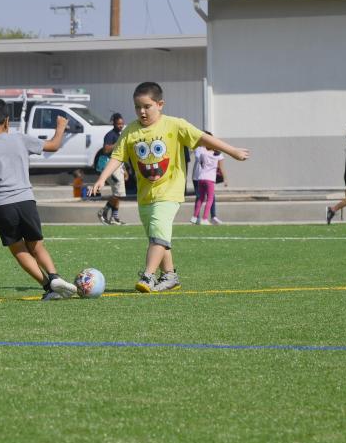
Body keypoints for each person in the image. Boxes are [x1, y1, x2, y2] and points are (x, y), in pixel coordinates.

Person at [90, 82, 250, 292]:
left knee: (158, 232)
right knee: (158, 236)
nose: (142, 111)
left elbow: (203, 138)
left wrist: (232, 151)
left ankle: (148, 276)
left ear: (160, 104)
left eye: (147, 106)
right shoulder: (130, 130)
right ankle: (170, 276)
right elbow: (117, 156)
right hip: (146, 195)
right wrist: (102, 178)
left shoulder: (175, 125)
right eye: (138, 107)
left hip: (170, 192)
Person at [0, 99, 79, 300]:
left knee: (19, 249)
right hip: (26, 201)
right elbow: (54, 145)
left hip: (1, 206)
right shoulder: (20, 139)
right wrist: (61, 127)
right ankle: (54, 275)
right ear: (7, 122)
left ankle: (48, 286)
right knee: (36, 245)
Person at [96, 113, 127, 225]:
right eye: (118, 124)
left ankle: (114, 218)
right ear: (113, 123)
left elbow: (120, 154)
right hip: (110, 166)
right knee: (119, 193)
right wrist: (118, 143)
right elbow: (106, 150)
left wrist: (125, 170)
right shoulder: (110, 135)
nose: (121, 126)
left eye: (122, 124)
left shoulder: (120, 134)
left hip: (118, 167)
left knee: (118, 192)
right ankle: (103, 212)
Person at [189, 132, 226, 225]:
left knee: (200, 198)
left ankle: (194, 217)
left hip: (201, 178)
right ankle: (205, 218)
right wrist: (225, 179)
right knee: (210, 199)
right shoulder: (217, 155)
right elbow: (221, 167)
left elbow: (200, 161)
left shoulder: (202, 153)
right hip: (210, 179)